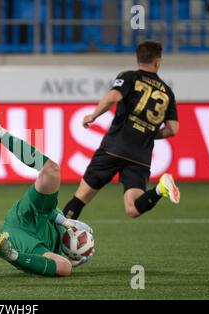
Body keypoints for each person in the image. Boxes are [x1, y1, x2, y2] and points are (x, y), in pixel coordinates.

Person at [62, 40, 180, 220]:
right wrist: (147, 132)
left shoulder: (129, 76)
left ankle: (55, 240)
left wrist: (93, 115)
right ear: (157, 62)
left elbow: (112, 97)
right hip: (140, 155)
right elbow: (173, 129)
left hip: (114, 147)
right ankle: (159, 189)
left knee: (80, 198)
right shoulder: (168, 92)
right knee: (133, 208)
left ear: (138, 59)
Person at [0, 97, 93, 276]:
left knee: (65, 268)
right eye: (81, 236)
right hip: (29, 216)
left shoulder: (55, 250)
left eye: (78, 241)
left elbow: (62, 261)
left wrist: (72, 255)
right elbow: (52, 212)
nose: (76, 235)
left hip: (22, 238)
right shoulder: (63, 223)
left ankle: (11, 255)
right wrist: (65, 221)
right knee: (52, 170)